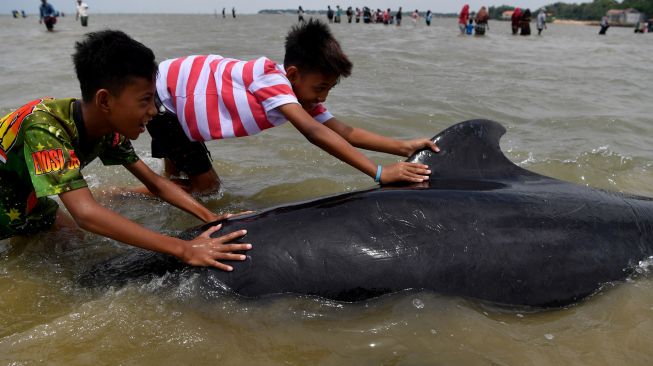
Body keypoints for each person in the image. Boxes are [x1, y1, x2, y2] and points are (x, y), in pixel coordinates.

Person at [0, 30, 251, 270]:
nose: (153, 111)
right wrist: (185, 249)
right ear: (105, 100)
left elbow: (155, 183)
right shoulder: (45, 128)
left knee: (73, 244)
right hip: (7, 204)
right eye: (144, 100)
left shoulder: (108, 130)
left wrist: (209, 216)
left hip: (26, 203)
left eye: (153, 100)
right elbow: (86, 213)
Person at [142, 19, 438, 196]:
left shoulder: (300, 95)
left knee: (179, 182)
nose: (322, 98)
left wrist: (403, 147)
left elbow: (344, 131)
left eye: (329, 89)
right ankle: (124, 195)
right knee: (207, 189)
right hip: (164, 103)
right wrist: (378, 173)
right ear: (294, 74)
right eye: (320, 88)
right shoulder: (272, 80)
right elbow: (313, 132)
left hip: (179, 99)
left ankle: (156, 193)